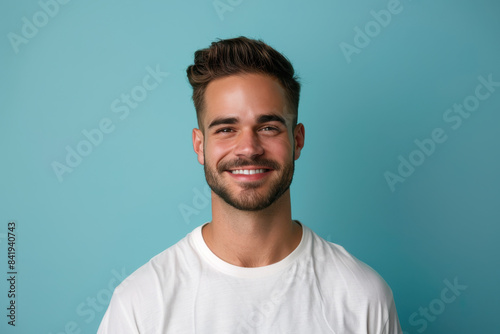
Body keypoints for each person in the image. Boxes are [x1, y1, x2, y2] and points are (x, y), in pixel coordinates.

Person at [98, 36, 402, 333]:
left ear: (297, 141)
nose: (248, 148)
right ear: (200, 146)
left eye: (268, 127)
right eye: (227, 129)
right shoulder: (140, 304)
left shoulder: (362, 297)